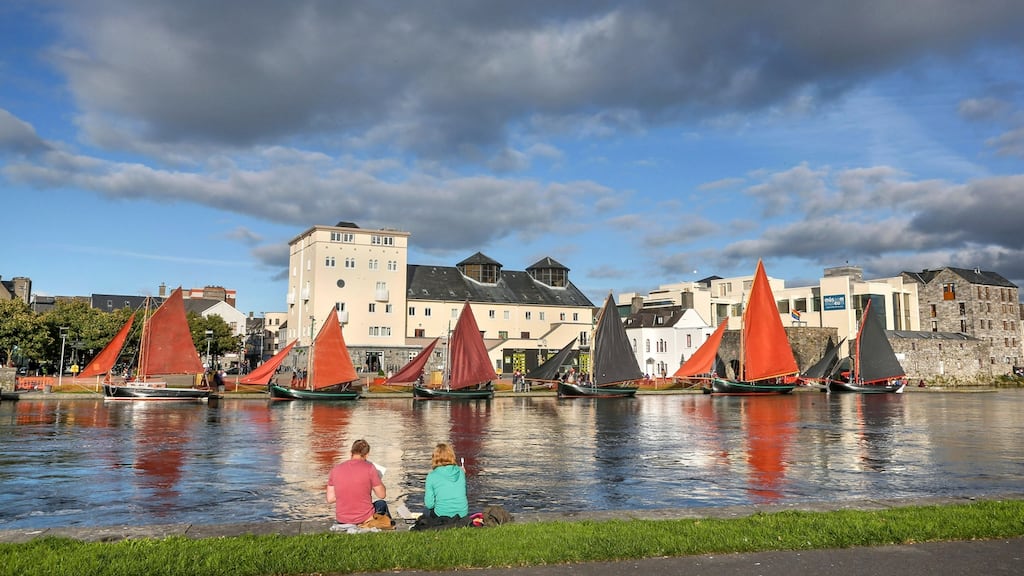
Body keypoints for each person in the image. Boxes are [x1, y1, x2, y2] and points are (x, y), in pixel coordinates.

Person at [326, 439, 391, 527]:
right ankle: (388, 528)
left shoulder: (335, 470)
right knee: (381, 503)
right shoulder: (370, 468)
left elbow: (330, 499)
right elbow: (382, 495)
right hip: (364, 518)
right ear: (367, 454)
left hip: (342, 519)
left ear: (351, 452)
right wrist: (376, 480)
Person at [423, 443, 468, 519]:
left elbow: (429, 504)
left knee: (426, 511)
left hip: (442, 515)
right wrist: (463, 473)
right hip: (462, 513)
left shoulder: (431, 476)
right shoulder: (461, 472)